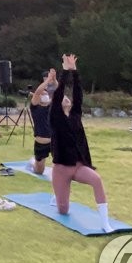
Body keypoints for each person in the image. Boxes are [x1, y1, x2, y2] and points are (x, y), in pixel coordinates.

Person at [49, 54, 113, 232]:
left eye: (67, 98)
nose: (66, 98)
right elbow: (58, 94)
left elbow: (78, 94)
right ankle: (56, 196)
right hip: (61, 168)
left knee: (97, 180)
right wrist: (64, 72)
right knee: (63, 210)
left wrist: (74, 72)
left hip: (78, 166)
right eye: (63, 98)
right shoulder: (55, 117)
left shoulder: (75, 115)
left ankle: (105, 223)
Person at [28, 68, 57, 174]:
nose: (44, 94)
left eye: (46, 94)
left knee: (60, 169)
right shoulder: (35, 107)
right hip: (41, 143)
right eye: (42, 94)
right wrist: (48, 80)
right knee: (39, 171)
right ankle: (33, 162)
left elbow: (58, 91)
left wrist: (54, 80)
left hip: (54, 141)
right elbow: (38, 92)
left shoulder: (51, 106)